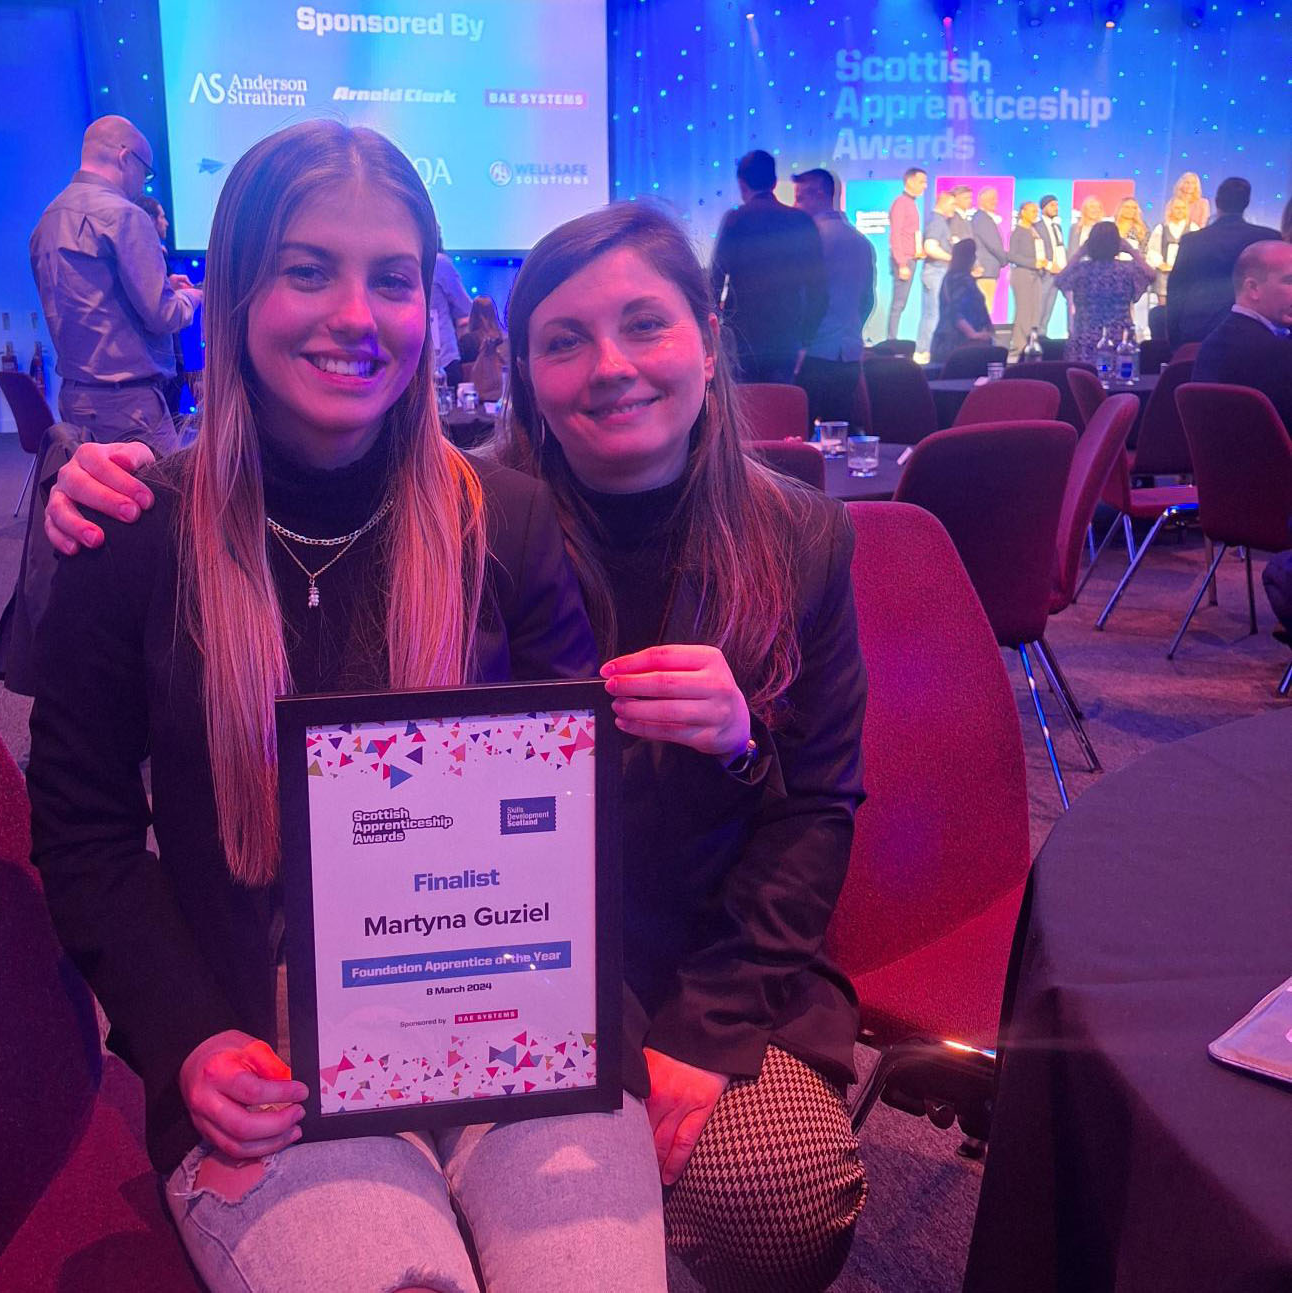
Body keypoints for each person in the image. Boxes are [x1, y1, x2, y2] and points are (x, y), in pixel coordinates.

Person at [45, 200, 874, 1293]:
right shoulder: (492, 517)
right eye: (565, 341)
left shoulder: (789, 536)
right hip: (416, 988)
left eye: (645, 327)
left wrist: (733, 761)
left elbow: (810, 809)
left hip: (621, 981)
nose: (611, 369)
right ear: (519, 369)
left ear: (708, 340)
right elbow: (93, 825)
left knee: (774, 1195)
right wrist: (109, 491)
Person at [25, 120, 669, 1293]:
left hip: (509, 1021)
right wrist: (185, 1044)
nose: (356, 319)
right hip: (262, 1048)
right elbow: (86, 833)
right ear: (231, 295)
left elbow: (588, 804)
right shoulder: (134, 537)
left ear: (430, 304)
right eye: (306, 270)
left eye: (390, 280)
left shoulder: (504, 522)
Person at [30, 115, 201, 457]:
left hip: (75, 400)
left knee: (97, 503)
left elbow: (90, 296)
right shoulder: (125, 216)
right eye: (146, 172)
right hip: (130, 405)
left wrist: (162, 283)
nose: (144, 185)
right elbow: (163, 315)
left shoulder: (47, 219)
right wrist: (191, 297)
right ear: (126, 158)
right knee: (171, 503)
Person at [710, 150, 828, 383]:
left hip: (743, 338)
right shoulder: (800, 221)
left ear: (742, 185)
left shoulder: (735, 220)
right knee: (780, 407)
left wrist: (716, 327)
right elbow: (819, 289)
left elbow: (715, 280)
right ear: (774, 182)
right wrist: (806, 337)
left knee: (746, 411)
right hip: (786, 339)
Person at [792, 168, 876, 424]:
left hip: (813, 354)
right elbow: (867, 299)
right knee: (837, 438)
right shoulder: (862, 241)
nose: (795, 205)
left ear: (820, 194)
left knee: (800, 434)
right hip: (849, 354)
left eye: (800, 197)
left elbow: (804, 297)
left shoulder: (809, 240)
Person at [1166, 176, 1282, 345]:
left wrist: (1174, 340)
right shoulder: (1268, 238)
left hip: (1199, 331)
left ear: (1217, 202)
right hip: (1256, 334)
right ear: (1247, 203)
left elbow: (1176, 290)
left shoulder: (1193, 241)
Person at [1193, 240, 1292, 432]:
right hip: (1271, 461)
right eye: (1290, 281)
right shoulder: (1276, 353)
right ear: (1253, 288)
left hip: (1220, 461)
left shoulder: (1214, 343)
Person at [1053, 222, 1153, 365]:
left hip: (1085, 336)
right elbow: (1151, 275)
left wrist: (1080, 252)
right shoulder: (1127, 270)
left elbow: (1059, 280)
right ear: (1118, 244)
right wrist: (1131, 251)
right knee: (1120, 380)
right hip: (1119, 337)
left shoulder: (1081, 270)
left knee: (1081, 381)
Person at [136, 195, 190, 421]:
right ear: (149, 219)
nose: (166, 223)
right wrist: (190, 298)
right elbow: (159, 311)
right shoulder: (147, 254)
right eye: (162, 217)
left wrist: (169, 283)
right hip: (160, 360)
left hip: (167, 356)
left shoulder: (157, 254)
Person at [929, 239, 994, 364]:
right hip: (957, 345)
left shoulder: (951, 278)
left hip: (948, 342)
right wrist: (973, 334)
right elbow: (955, 312)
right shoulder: (961, 280)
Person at [916, 189, 958, 362]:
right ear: (943, 202)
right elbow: (930, 247)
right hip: (936, 272)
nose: (954, 208)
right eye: (952, 204)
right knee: (934, 314)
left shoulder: (940, 222)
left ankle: (924, 351)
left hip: (937, 272)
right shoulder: (937, 222)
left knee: (931, 313)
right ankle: (926, 351)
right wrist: (952, 258)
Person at [886, 167, 927, 341]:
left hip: (912, 257)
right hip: (904, 260)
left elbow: (911, 232)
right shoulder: (901, 203)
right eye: (921, 182)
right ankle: (891, 341)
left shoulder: (911, 203)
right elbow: (895, 234)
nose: (924, 186)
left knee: (901, 304)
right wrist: (902, 263)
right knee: (898, 304)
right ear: (910, 181)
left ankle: (892, 341)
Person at [430, 232, 472, 385]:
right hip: (444, 359)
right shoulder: (440, 263)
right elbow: (465, 307)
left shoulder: (403, 262)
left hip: (411, 358)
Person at [1006, 200, 1046, 357]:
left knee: (1034, 312)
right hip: (1022, 274)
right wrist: (1033, 263)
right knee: (1023, 312)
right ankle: (1018, 348)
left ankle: (1032, 344)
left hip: (1036, 274)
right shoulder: (1018, 231)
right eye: (1032, 211)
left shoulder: (1034, 230)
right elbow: (1012, 255)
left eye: (1036, 211)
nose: (1035, 214)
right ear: (1023, 212)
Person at [1145, 196, 1200, 308]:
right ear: (1171, 209)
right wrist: (1160, 264)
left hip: (1185, 274)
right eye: (1176, 208)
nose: (1180, 211)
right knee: (1164, 307)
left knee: (1183, 306)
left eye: (1182, 208)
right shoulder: (1161, 228)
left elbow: (1198, 251)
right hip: (1164, 274)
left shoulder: (1193, 228)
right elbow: (1152, 249)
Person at [1114, 197, 1152, 338]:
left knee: (1130, 303)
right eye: (1127, 207)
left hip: (1132, 270)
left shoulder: (1142, 229)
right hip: (1114, 269)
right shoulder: (1113, 226)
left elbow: (1145, 250)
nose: (1130, 210)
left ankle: (1130, 334)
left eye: (1134, 208)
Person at [457, 293, 507, 401]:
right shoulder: (503, 339)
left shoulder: (467, 341)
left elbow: (463, 375)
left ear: (473, 315)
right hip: (502, 395)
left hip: (474, 398)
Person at [1034, 194, 1069, 334]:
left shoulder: (1057, 227)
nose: (1056, 208)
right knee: (1039, 307)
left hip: (1058, 272)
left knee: (1049, 307)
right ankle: (1033, 338)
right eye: (1052, 205)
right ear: (1044, 208)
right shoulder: (1036, 226)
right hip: (1045, 272)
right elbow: (1037, 250)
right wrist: (1049, 265)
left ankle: (1043, 335)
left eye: (1057, 205)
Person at [970, 187, 1006, 312]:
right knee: (983, 310)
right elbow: (994, 245)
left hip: (986, 270)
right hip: (985, 271)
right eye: (991, 199)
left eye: (995, 198)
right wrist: (1004, 260)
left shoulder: (982, 218)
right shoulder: (982, 219)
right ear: (981, 201)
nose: (995, 201)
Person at [1068, 194, 1106, 263]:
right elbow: (1071, 251)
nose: (1095, 210)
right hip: (1078, 267)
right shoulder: (1075, 228)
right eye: (1092, 207)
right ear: (1085, 209)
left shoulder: (1104, 230)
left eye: (1098, 207)